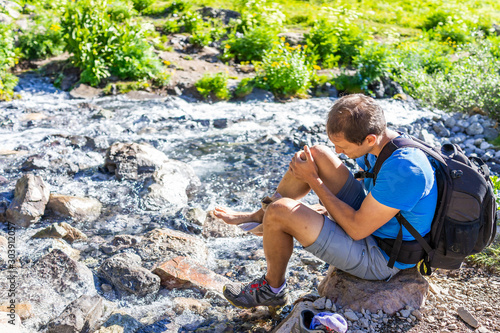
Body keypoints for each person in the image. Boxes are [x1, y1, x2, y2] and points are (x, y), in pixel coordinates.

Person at [213, 94, 438, 309]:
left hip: (382, 256)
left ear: (370, 138)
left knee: (280, 211)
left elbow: (357, 230)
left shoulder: (406, 170)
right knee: (314, 155)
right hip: (376, 224)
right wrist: (316, 179)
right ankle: (261, 216)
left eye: (343, 147)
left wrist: (313, 180)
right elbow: (362, 182)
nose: (338, 151)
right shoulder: (383, 142)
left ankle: (272, 289)